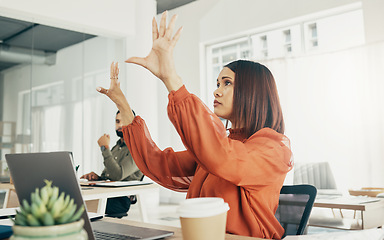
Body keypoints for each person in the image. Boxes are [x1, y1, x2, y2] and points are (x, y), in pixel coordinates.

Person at [97, 11, 293, 239]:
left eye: (227, 83)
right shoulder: (221, 147)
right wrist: (122, 103)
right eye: (218, 82)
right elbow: (160, 164)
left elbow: (223, 157)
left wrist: (171, 77)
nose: (216, 90)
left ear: (252, 92)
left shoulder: (273, 150)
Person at [81, 110, 143, 218]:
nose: (120, 125)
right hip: (106, 193)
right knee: (74, 199)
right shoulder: (116, 148)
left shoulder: (137, 148)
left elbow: (118, 176)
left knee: (78, 206)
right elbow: (109, 176)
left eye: (123, 122)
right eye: (117, 121)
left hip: (119, 199)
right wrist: (97, 178)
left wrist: (104, 148)